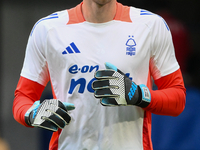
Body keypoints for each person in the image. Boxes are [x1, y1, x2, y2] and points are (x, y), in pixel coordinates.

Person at [12, 0, 186, 150]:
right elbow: (23, 98)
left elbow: (177, 98)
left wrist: (139, 95)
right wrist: (32, 114)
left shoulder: (150, 25)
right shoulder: (48, 29)